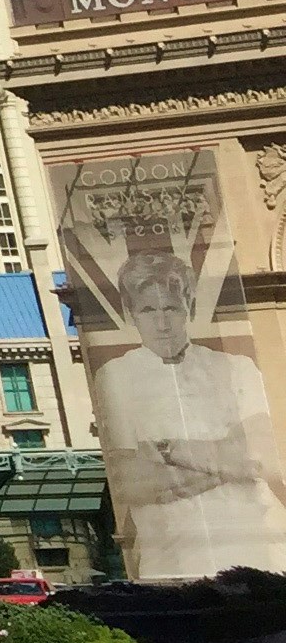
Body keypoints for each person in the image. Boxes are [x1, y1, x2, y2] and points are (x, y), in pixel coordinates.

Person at [92, 242, 286, 576]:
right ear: (131, 314)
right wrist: (225, 460)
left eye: (171, 308)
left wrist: (166, 450)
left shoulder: (237, 367)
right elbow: (130, 482)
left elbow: (259, 458)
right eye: (148, 310)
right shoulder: (115, 376)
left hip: (260, 545)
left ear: (189, 307)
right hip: (173, 557)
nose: (162, 323)